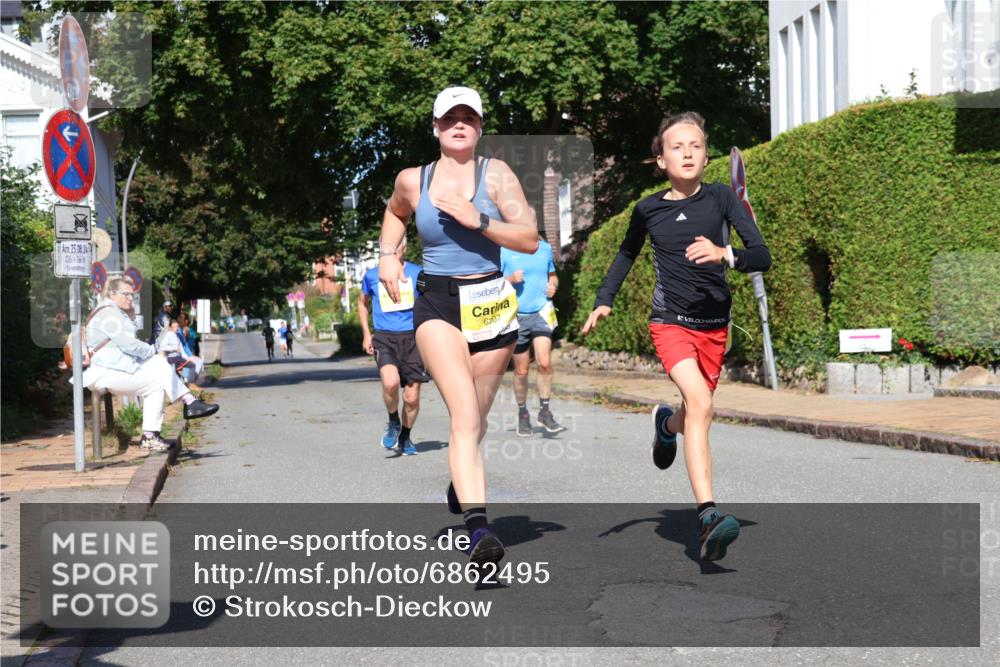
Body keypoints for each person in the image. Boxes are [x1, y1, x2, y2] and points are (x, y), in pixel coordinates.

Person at [581, 112, 772, 562]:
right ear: (661, 159)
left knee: (693, 412)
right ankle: (708, 515)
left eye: (696, 146)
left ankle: (666, 427)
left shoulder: (723, 198)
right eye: (677, 147)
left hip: (714, 327)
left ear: (706, 155)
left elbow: (762, 256)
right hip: (670, 322)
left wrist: (725, 253)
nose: (687, 153)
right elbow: (626, 253)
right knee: (704, 406)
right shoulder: (648, 209)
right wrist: (603, 298)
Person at [379, 85, 538, 567]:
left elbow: (529, 237)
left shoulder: (498, 176)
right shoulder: (414, 179)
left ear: (480, 127)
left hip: (490, 303)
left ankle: (461, 478)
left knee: (477, 418)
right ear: (436, 127)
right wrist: (388, 255)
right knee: (464, 416)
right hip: (437, 304)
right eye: (450, 118)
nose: (459, 124)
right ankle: (480, 530)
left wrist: (480, 221)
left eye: (469, 117)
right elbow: (395, 213)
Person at [80, 277, 219, 451]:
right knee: (156, 381)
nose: (131, 298)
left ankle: (187, 403)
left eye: (132, 295)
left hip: (113, 367)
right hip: (104, 372)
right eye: (126, 294)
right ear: (112, 293)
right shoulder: (110, 314)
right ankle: (154, 432)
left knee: (158, 364)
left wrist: (151, 353)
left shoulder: (109, 311)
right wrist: (152, 350)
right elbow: (129, 345)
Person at [359, 240, 428, 456]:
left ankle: (405, 436)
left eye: (398, 246)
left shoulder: (418, 273)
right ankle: (393, 421)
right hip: (385, 337)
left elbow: (431, 301)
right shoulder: (372, 275)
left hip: (414, 337)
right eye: (389, 247)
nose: (394, 251)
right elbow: (362, 303)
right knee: (390, 383)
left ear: (405, 248)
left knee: (411, 397)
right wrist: (366, 334)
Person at [501, 236, 565, 436]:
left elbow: (552, 275)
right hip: (515, 314)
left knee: (544, 363)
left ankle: (545, 412)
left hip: (542, 311)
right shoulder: (503, 248)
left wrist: (553, 286)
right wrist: (510, 280)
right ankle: (523, 413)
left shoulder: (544, 248)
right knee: (521, 370)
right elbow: (490, 283)